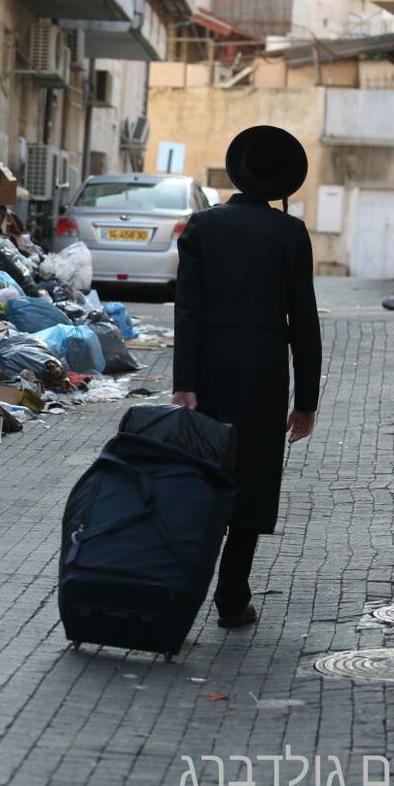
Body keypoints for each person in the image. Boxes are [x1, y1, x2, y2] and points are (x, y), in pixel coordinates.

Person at [171, 125, 322, 630]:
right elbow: (304, 319)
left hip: (210, 366)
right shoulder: (290, 233)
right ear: (284, 182)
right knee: (252, 477)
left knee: (204, 474)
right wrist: (306, 400)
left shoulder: (201, 228)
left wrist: (185, 380)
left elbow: (187, 311)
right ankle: (232, 596)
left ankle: (182, 586)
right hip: (264, 369)